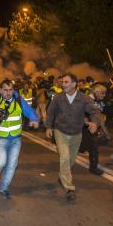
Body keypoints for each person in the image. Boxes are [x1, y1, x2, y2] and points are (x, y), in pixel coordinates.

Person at [45, 73, 101, 202]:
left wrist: (95, 123)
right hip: (61, 132)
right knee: (64, 157)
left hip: (77, 134)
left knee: (70, 161)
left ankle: (63, 176)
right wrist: (48, 127)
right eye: (62, 82)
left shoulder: (84, 99)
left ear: (74, 84)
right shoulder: (58, 98)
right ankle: (69, 188)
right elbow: (51, 112)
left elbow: (95, 112)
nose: (63, 84)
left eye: (66, 82)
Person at [0, 79, 39, 199]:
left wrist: (34, 119)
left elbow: (29, 111)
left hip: (15, 140)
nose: (8, 93)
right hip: (0, 139)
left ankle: (4, 188)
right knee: (0, 162)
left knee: (12, 165)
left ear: (13, 90)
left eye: (10, 90)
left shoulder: (18, 100)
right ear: (0, 90)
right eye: (5, 90)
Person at [78, 83, 108, 175]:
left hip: (92, 127)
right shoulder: (87, 100)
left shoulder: (99, 101)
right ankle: (93, 167)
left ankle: (93, 167)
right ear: (97, 92)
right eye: (103, 93)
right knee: (89, 147)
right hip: (85, 127)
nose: (104, 95)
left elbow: (101, 112)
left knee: (91, 147)